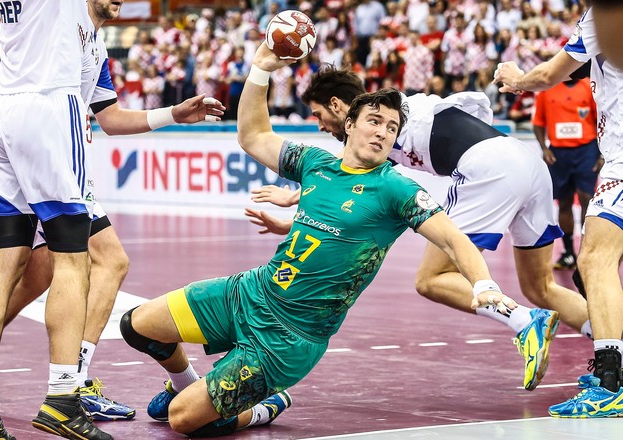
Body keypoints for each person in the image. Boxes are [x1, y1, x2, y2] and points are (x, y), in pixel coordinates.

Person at [117, 42, 518, 437]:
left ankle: (264, 407)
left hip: (289, 338)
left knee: (182, 421)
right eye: (374, 121)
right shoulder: (316, 164)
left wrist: (483, 283)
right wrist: (261, 67)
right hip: (250, 292)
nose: (382, 133)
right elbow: (254, 135)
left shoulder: (397, 189)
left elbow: (453, 239)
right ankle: (186, 381)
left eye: (392, 127)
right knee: (136, 326)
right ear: (350, 125)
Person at [0, 0, 225, 427]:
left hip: (9, 116)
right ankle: (70, 388)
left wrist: (173, 115)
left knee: (19, 260)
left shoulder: (91, 45)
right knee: (84, 260)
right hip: (48, 120)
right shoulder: (60, 13)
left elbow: (108, 117)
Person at [248, 65, 593, 393]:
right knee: (541, 285)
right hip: (525, 160)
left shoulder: (381, 124)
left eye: (319, 115)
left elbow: (340, 181)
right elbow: (343, 186)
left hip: (490, 169)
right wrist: (296, 203)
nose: (321, 125)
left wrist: (294, 200)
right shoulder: (401, 112)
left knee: (431, 279)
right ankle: (614, 350)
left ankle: (522, 320)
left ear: (338, 106)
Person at [494, 6, 623, 418]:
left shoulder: (606, 12)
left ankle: (610, 383)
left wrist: (515, 79)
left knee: (595, 259)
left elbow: (549, 74)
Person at [531, 77, 601, 270]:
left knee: (587, 198)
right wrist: (544, 149)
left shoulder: (590, 85)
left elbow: (601, 120)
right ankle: (569, 252)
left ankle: (588, 253)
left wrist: (601, 152)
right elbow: (538, 122)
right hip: (559, 152)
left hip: (587, 150)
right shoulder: (547, 87)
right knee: (564, 202)